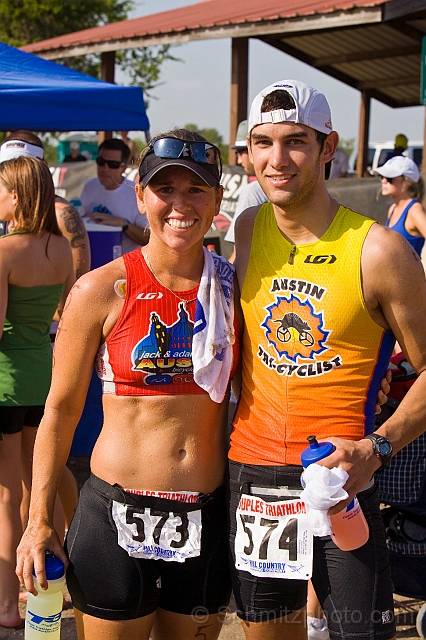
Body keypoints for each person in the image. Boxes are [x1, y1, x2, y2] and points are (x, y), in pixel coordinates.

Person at [16, 129, 240, 640]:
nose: (180, 205)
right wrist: (39, 520)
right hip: (115, 516)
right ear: (140, 196)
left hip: (205, 518)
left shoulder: (233, 288)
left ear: (217, 200)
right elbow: (60, 411)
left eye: (196, 190)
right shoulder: (99, 289)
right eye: (165, 190)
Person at [229, 79, 426, 640]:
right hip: (255, 477)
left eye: (295, 141)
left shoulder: (380, 249)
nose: (276, 159)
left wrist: (377, 447)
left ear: (328, 146)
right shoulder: (247, 229)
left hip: (343, 478)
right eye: (262, 142)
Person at [0, 156, 74, 629]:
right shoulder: (62, 249)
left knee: (7, 496)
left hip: (5, 383)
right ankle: (68, 580)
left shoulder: (6, 250)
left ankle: (7, 605)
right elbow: (59, 318)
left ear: (17, 196)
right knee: (41, 484)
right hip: (42, 377)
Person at [0, 131, 91, 279]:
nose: (13, 173)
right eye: (6, 166)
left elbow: (77, 284)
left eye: (22, 166)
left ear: (42, 166)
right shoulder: (4, 209)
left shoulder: (62, 214)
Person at [81, 137, 149, 254]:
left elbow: (149, 239)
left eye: (113, 164)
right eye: (101, 162)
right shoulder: (89, 186)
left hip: (124, 266)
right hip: (95, 261)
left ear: (123, 168)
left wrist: (123, 224)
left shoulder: (135, 192)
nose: (105, 168)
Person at [225, 120, 267, 263]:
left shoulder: (253, 191)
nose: (238, 160)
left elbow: (241, 254)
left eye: (239, 152)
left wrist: (220, 283)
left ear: (251, 150)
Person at [378, 155, 426, 256]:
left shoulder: (414, 210)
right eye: (382, 176)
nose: (384, 181)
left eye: (389, 178)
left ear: (407, 182)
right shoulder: (392, 209)